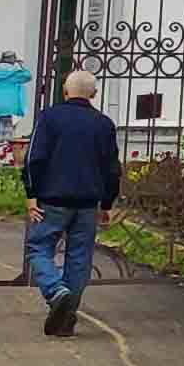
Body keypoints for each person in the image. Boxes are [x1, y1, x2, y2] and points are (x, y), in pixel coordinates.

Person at [22, 66, 121, 337]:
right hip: (88, 202)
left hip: (52, 199)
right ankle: (66, 317)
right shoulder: (103, 124)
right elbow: (112, 168)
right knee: (79, 258)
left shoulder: (49, 118)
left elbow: (34, 158)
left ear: (65, 91)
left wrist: (31, 194)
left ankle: (56, 292)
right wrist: (107, 203)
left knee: (38, 247)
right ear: (94, 94)